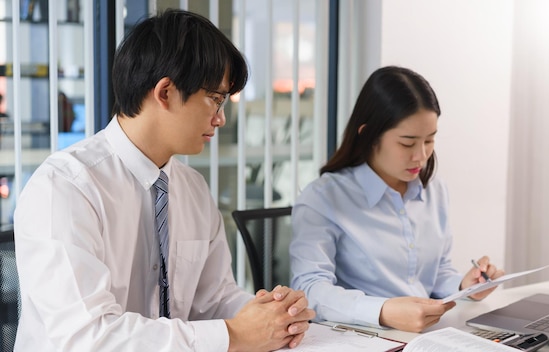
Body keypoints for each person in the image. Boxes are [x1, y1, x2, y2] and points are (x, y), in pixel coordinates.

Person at [13, 9, 314, 351]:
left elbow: (212, 300)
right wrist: (235, 335)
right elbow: (87, 337)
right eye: (215, 99)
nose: (221, 118)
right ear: (165, 92)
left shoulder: (192, 189)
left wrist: (273, 316)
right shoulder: (65, 187)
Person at [289, 66, 504, 333]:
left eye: (430, 140)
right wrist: (382, 311)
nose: (421, 156)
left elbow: (435, 273)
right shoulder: (324, 198)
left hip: (431, 335)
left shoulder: (434, 190)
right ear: (368, 135)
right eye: (407, 143)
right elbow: (309, 289)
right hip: (365, 337)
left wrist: (464, 285)